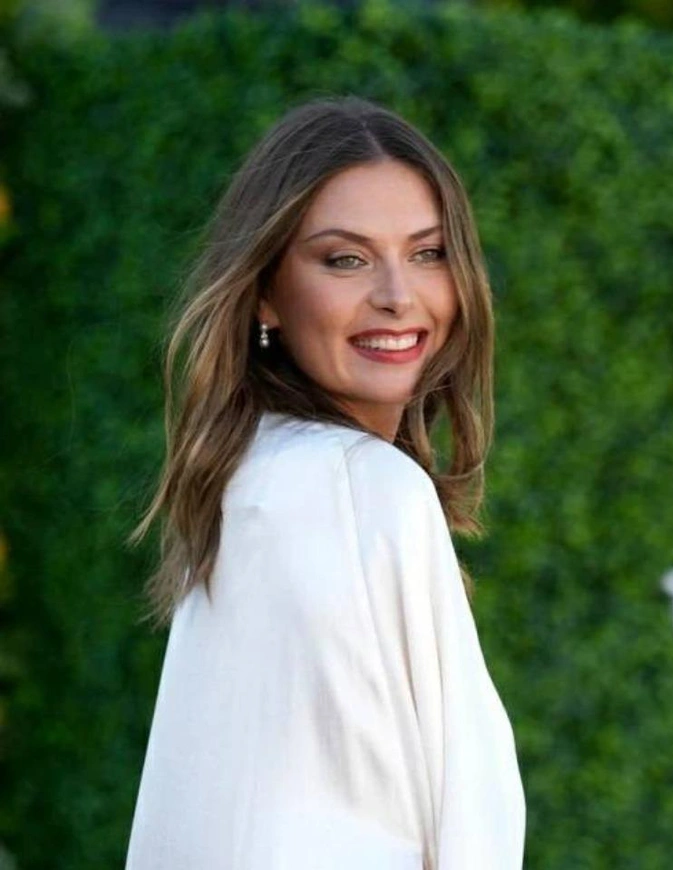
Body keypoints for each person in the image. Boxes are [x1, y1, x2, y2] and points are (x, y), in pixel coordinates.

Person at [124, 96, 526, 869]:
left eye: (428, 253)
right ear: (265, 292)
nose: (398, 295)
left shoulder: (251, 481)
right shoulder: (360, 490)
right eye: (346, 259)